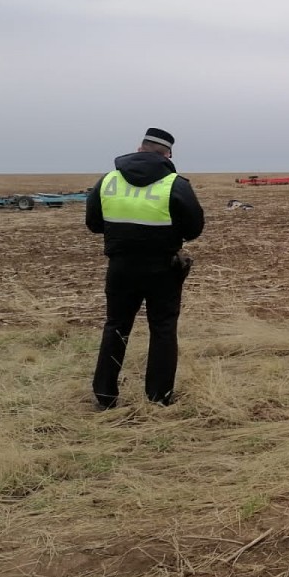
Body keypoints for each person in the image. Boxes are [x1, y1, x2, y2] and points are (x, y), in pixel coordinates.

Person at [86, 128, 205, 409]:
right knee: (163, 329)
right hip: (163, 268)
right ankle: (158, 397)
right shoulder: (175, 184)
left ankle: (104, 396)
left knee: (116, 326)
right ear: (168, 154)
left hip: (120, 267)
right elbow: (194, 228)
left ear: (139, 148)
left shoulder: (108, 181)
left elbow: (93, 224)